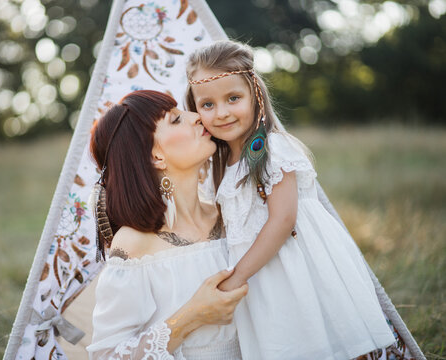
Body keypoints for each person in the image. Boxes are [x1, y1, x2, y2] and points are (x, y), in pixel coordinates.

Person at [185, 40, 404, 360]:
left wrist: (236, 279)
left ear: (255, 96)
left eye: (233, 98)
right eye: (207, 105)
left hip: (296, 271)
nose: (222, 113)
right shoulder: (218, 166)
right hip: (261, 280)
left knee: (319, 342)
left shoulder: (273, 149)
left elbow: (283, 220)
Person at [86, 90, 248, 359]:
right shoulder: (134, 244)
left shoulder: (231, 213)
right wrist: (191, 317)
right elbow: (106, 355)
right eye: (175, 119)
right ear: (155, 156)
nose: (197, 117)